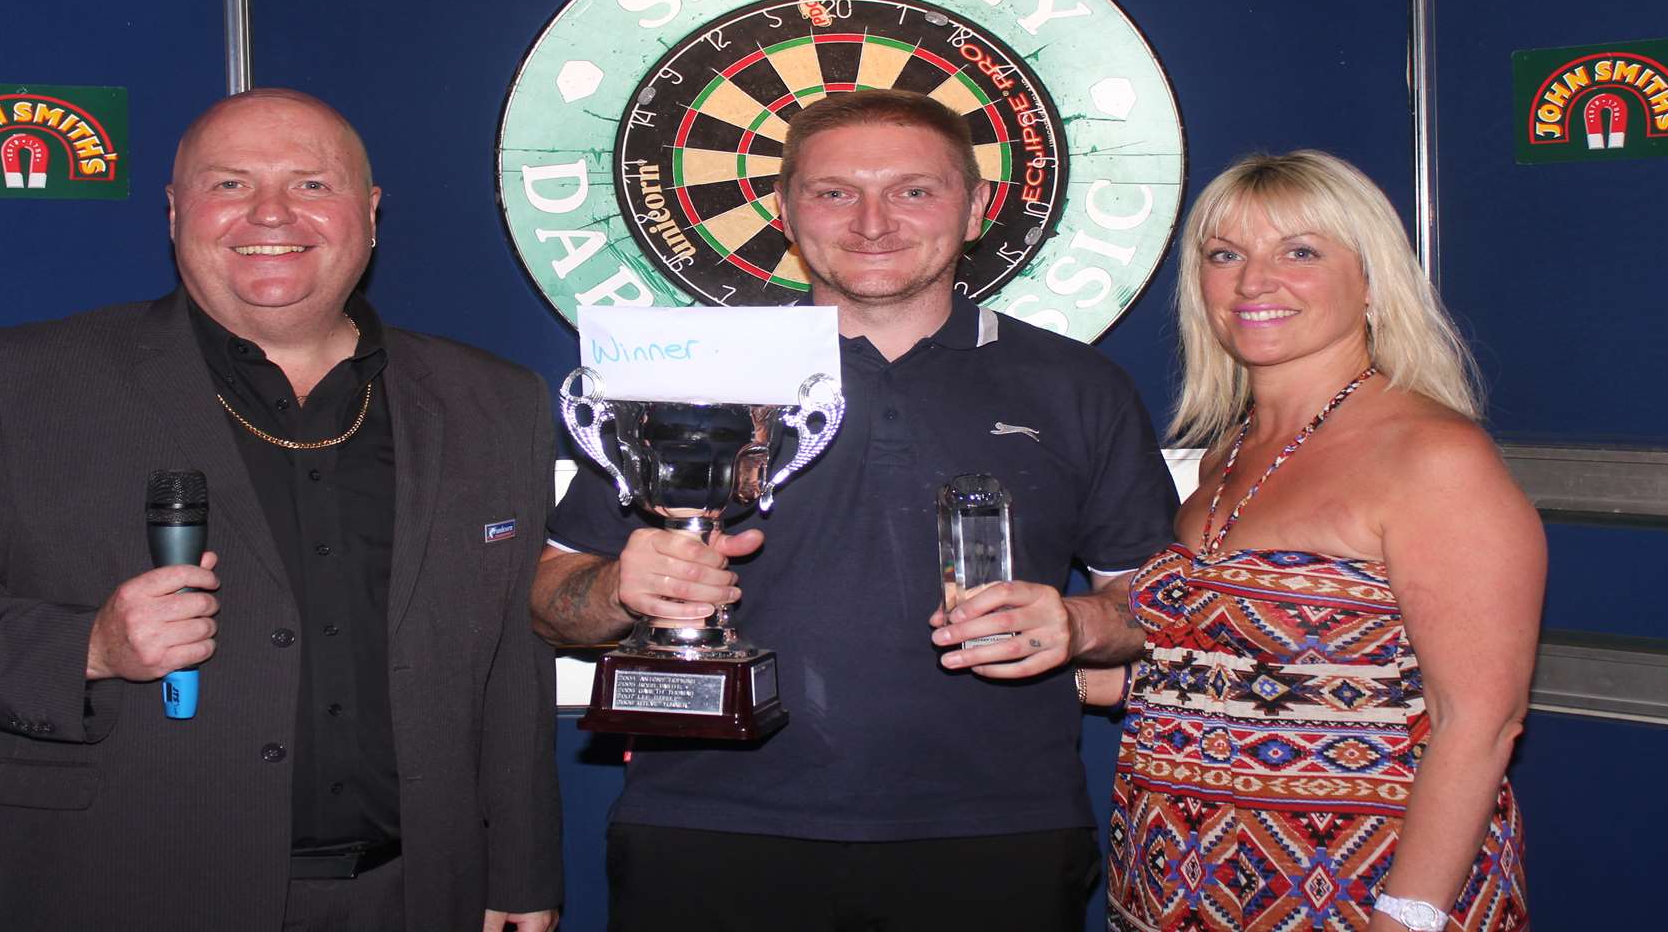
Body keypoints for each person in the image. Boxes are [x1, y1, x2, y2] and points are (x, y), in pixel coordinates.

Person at [0, 89, 561, 932]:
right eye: (229, 185)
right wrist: (89, 647)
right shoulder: (21, 382)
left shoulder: (491, 400)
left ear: (367, 212)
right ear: (176, 210)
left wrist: (521, 868)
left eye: (311, 185)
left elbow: (513, 660)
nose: (270, 213)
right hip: (118, 886)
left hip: (415, 895)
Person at [532, 89, 1177, 930]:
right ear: (786, 211)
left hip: (994, 833)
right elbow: (550, 602)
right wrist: (621, 586)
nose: (873, 222)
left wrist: (1079, 625)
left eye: (914, 190)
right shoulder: (693, 374)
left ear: (977, 207)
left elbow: (1161, 606)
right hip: (708, 830)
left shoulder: (1078, 386)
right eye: (835, 192)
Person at [1089, 150, 1540, 931]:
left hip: (1358, 888)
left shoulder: (1432, 456)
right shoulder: (1228, 455)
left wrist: (1411, 915)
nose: (1253, 280)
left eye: (1300, 251)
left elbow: (1479, 720)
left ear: (1371, 280)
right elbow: (1226, 680)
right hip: (1179, 881)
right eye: (1225, 254)